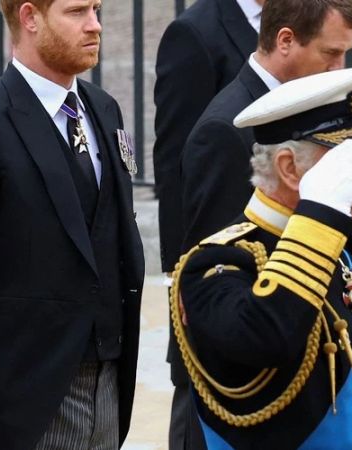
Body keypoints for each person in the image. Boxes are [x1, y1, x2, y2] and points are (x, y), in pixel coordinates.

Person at [0, 0, 145, 448]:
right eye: (77, 11)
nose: (95, 26)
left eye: (97, 10)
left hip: (108, 377)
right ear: (30, 18)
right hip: (27, 394)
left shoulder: (104, 110)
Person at [172, 67, 352, 448]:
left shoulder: (329, 247)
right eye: (344, 159)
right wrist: (319, 214)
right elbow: (264, 337)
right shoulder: (214, 264)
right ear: (289, 168)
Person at [152, 3, 262, 447]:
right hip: (215, 257)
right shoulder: (195, 34)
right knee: (200, 406)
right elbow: (176, 169)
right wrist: (182, 279)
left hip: (270, 262)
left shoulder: (302, 15)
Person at [181, 0, 352, 252]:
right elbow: (217, 259)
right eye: (330, 53)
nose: (339, 67)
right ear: (285, 40)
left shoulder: (313, 100)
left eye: (345, 53)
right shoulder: (224, 131)